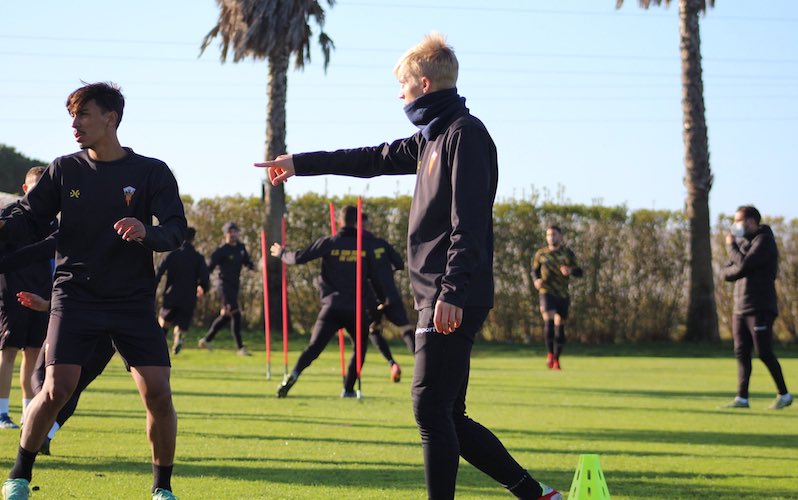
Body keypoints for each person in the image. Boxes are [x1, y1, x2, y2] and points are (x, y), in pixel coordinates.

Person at [257, 32, 562, 500]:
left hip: (449, 294)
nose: (398, 96)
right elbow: (372, 158)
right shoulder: (430, 140)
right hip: (436, 294)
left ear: (423, 84)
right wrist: (300, 163)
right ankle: (536, 494)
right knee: (447, 413)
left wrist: (452, 292)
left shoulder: (465, 134)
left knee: (427, 407)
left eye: (402, 86)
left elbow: (470, 223)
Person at [0, 81, 186, 500]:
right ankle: (19, 476)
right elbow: (29, 219)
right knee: (55, 388)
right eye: (72, 115)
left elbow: (176, 231)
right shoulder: (64, 169)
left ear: (111, 118)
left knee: (157, 392)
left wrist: (146, 232)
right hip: (75, 293)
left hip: (131, 298)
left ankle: (162, 488)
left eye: (83, 114)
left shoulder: (151, 172)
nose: (75, 123)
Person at [271, 206, 383, 398]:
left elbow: (299, 258)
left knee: (314, 348)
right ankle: (348, 389)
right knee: (360, 349)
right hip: (355, 309)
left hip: (331, 306)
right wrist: (378, 310)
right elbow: (376, 279)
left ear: (339, 220)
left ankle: (294, 374)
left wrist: (282, 253)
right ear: (358, 222)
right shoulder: (365, 246)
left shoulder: (330, 242)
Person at [720, 205, 792, 410]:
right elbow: (728, 272)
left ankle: (784, 394)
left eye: (738, 221)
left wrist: (730, 246)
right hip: (740, 307)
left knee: (764, 352)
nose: (735, 226)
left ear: (751, 221)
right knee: (741, 352)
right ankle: (742, 398)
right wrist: (737, 258)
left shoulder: (764, 241)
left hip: (760, 306)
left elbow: (743, 265)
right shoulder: (745, 243)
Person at [0, 168, 55, 430]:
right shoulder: (10, 215)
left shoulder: (52, 221)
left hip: (41, 292)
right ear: (25, 189)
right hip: (12, 291)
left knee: (33, 353)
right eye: (34, 188)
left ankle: (27, 412)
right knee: (8, 351)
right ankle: (1, 412)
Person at [362, 213, 415, 383]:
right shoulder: (381, 243)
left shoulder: (355, 247)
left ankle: (392, 363)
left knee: (374, 330)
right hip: (390, 294)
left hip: (371, 297)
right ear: (368, 225)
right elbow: (399, 263)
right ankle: (423, 363)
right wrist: (385, 271)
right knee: (406, 329)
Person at [198, 222, 255, 356]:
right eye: (230, 231)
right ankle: (240, 348)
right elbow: (209, 268)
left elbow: (246, 261)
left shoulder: (241, 247)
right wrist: (202, 285)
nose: (233, 234)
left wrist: (254, 267)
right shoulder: (221, 250)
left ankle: (207, 339)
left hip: (235, 285)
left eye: (235, 231)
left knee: (226, 315)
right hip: (224, 286)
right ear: (225, 234)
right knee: (236, 313)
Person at [531, 225, 583, 371]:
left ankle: (556, 358)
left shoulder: (567, 253)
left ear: (560, 236)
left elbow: (580, 272)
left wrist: (570, 270)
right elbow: (534, 271)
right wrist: (536, 280)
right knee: (549, 320)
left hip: (563, 294)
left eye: (554, 234)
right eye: (548, 235)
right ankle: (549, 354)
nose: (551, 237)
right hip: (546, 291)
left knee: (560, 327)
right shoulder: (541, 254)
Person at [156, 227, 210, 354]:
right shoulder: (198, 257)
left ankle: (160, 343)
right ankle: (178, 338)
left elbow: (159, 271)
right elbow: (205, 278)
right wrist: (203, 287)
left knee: (164, 320)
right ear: (193, 239)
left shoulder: (171, 254)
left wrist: (153, 286)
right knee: (182, 322)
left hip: (171, 294)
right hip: (189, 297)